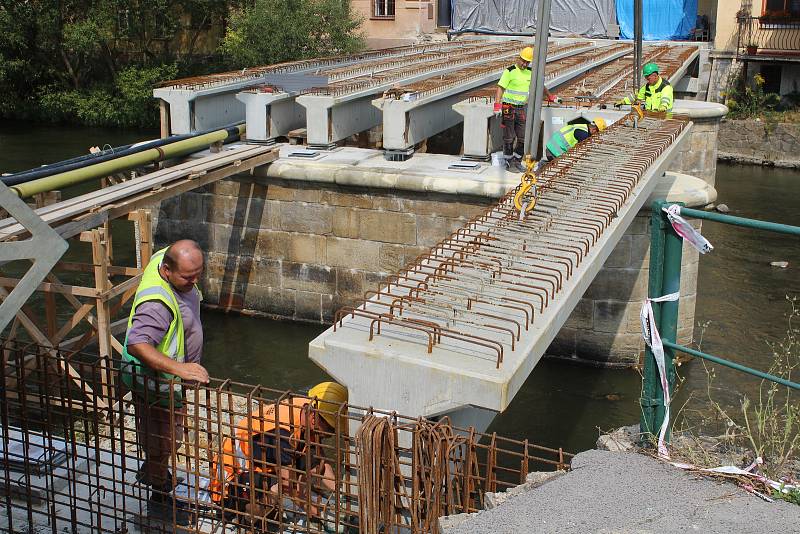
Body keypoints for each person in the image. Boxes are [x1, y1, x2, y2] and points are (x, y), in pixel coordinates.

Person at [121, 239, 209, 526]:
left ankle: (154, 472)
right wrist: (180, 369)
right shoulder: (157, 304)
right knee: (165, 440)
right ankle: (158, 494)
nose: (195, 281)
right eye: (188, 277)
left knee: (165, 437)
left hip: (167, 383)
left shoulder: (165, 258)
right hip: (155, 383)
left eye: (198, 273)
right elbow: (137, 344)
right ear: (167, 270)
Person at [209, 382, 348, 524]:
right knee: (280, 486)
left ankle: (264, 502)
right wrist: (323, 516)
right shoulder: (282, 435)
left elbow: (319, 463)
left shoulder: (308, 407)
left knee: (306, 461)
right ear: (314, 420)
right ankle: (249, 520)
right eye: (330, 430)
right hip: (231, 482)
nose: (331, 434)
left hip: (260, 462)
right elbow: (289, 487)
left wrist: (342, 493)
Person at [494, 46, 559, 172]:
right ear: (518, 58)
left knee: (523, 137)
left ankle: (517, 160)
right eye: (523, 60)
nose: (524, 64)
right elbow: (500, 88)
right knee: (509, 137)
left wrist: (550, 96)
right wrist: (497, 105)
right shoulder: (510, 71)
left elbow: (541, 85)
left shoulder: (530, 73)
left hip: (521, 109)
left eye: (527, 62)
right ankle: (509, 162)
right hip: (508, 107)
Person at [543, 117, 607, 162]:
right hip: (555, 152)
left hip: (550, 147)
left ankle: (543, 164)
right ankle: (543, 166)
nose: (596, 136)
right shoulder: (584, 134)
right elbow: (580, 152)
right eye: (597, 133)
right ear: (594, 130)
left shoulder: (582, 125)